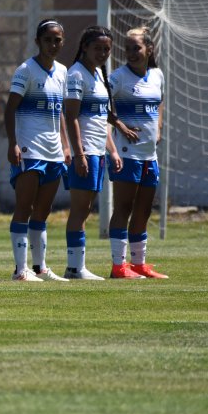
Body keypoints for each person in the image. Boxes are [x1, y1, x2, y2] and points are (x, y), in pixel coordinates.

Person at [5, 19, 71, 282]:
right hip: (30, 150)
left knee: (43, 211)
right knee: (24, 207)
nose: (53, 45)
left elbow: (61, 113)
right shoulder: (25, 71)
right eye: (48, 40)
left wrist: (65, 145)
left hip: (53, 152)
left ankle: (40, 267)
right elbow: (10, 109)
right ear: (38, 41)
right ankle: (20, 270)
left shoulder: (63, 71)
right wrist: (13, 143)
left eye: (57, 40)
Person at [107, 27, 168, 279]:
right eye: (128, 48)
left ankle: (139, 264)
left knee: (144, 209)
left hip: (148, 155)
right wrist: (120, 125)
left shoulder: (157, 75)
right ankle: (118, 266)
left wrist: (159, 126)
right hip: (126, 152)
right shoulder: (118, 77)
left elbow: (160, 101)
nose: (131, 53)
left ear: (149, 49)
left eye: (137, 48)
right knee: (123, 207)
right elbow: (99, 104)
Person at [63, 25, 121, 280]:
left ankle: (77, 266)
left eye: (106, 49)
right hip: (85, 151)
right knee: (80, 208)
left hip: (97, 151)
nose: (102, 53)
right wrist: (79, 154)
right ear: (84, 47)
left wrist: (113, 151)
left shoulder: (98, 74)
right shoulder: (76, 75)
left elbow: (100, 118)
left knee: (86, 208)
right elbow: (71, 116)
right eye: (97, 48)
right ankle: (75, 268)